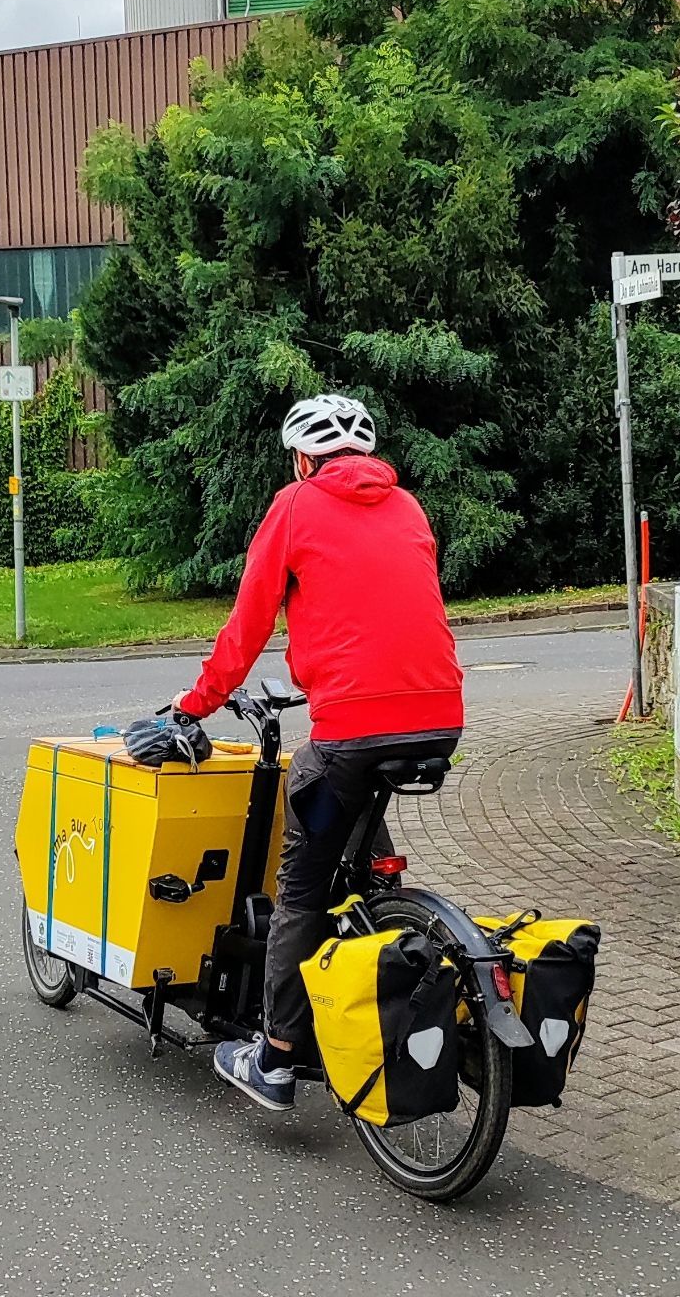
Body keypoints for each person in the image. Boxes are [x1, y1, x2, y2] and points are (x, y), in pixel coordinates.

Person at [173, 393, 464, 1112]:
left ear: (302, 458)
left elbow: (246, 625)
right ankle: (386, 929)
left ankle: (271, 1060)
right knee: (361, 851)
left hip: (352, 728)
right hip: (440, 717)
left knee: (299, 886)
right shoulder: (408, 507)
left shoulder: (295, 504)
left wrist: (194, 706)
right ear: (364, 455)